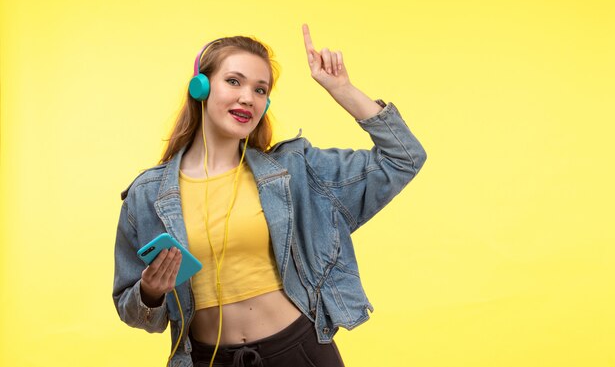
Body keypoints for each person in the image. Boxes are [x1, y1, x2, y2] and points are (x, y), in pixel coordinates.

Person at [113, 24, 427, 367]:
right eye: (234, 81)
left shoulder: (294, 170)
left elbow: (404, 158)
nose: (248, 97)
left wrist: (343, 89)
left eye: (260, 89)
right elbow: (134, 312)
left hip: (299, 353)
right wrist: (151, 292)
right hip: (207, 359)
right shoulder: (147, 196)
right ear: (200, 86)